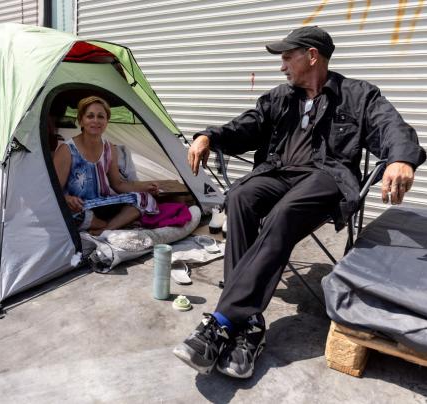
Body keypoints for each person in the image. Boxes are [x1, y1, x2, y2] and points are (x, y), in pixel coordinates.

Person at [173, 26, 426, 379]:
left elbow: (392, 127)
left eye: (287, 57)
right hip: (277, 172)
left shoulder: (357, 94)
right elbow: (245, 126)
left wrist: (401, 159)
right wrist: (207, 135)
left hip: (326, 177)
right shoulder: (279, 97)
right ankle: (247, 326)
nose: (282, 67)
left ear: (311, 56)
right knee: (242, 196)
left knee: (285, 211)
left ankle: (223, 320)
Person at [54, 95, 160, 234]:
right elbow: (53, 191)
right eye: (90, 116)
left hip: (102, 203)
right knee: (63, 213)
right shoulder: (67, 150)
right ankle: (107, 224)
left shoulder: (109, 148)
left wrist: (145, 186)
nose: (95, 121)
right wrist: (67, 199)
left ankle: (104, 230)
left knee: (145, 199)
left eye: (101, 116)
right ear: (81, 121)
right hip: (79, 207)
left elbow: (118, 184)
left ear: (106, 121)